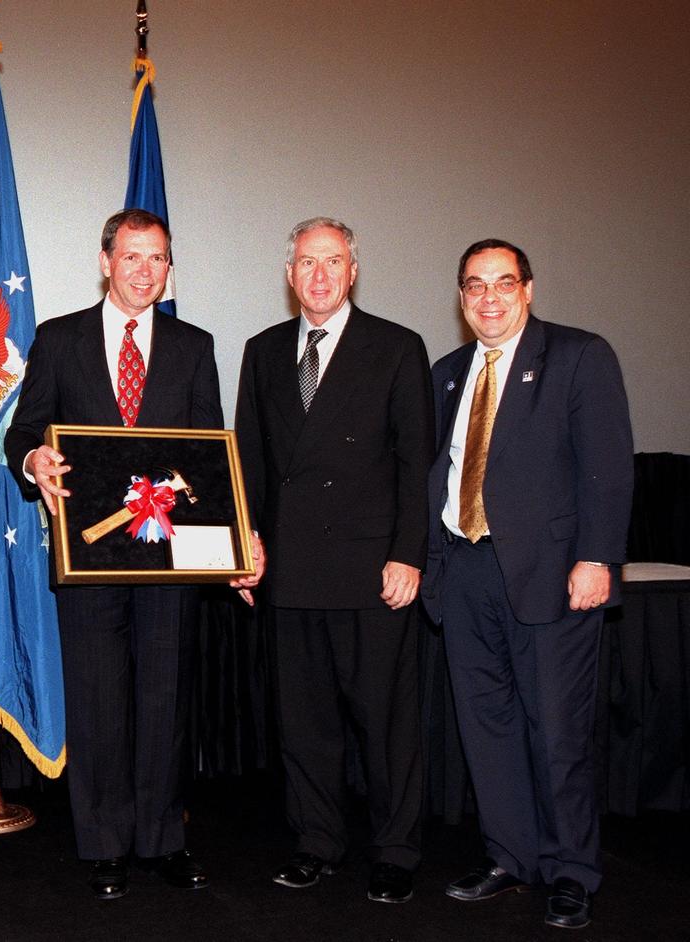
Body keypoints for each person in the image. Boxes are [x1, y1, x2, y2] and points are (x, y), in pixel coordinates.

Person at [3, 209, 260, 900]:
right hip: (88, 559)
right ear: (105, 261)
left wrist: (232, 541)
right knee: (98, 700)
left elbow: (209, 453)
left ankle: (163, 839)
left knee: (166, 698)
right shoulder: (59, 340)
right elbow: (21, 433)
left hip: (171, 558)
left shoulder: (193, 345)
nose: (145, 270)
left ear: (170, 268)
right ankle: (105, 845)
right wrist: (33, 458)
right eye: (132, 256)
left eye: (158, 259)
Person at [422, 240, 633, 930]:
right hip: (464, 571)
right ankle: (511, 857)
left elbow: (607, 466)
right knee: (488, 729)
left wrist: (598, 558)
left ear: (529, 289)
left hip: (552, 576)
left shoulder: (578, 356)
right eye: (475, 285)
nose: (489, 297)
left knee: (558, 733)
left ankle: (573, 869)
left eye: (503, 283)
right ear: (461, 297)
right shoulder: (448, 372)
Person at [233, 217, 433, 904]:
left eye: (334, 261)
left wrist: (408, 554)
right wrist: (245, 544)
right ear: (289, 275)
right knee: (306, 724)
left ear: (354, 271)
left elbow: (418, 466)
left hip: (371, 569)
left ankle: (396, 850)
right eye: (307, 262)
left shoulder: (397, 347)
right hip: (289, 571)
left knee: (384, 722)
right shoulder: (261, 352)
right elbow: (251, 464)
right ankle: (317, 841)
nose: (320, 275)